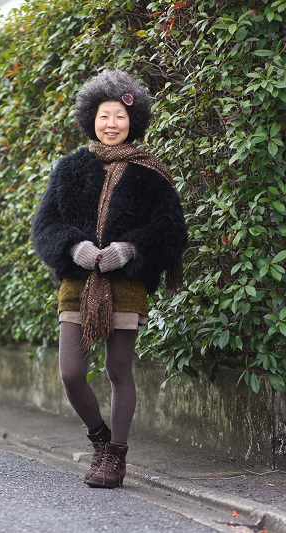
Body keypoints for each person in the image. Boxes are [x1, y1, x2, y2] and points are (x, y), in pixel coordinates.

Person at [31, 69, 188, 488]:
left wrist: (131, 249)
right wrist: (71, 247)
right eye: (104, 116)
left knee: (119, 370)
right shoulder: (69, 169)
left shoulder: (151, 175)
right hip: (78, 286)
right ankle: (99, 440)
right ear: (91, 118)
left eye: (119, 116)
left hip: (126, 284)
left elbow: (171, 232)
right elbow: (44, 225)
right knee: (70, 372)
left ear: (131, 121)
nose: (112, 124)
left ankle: (116, 458)